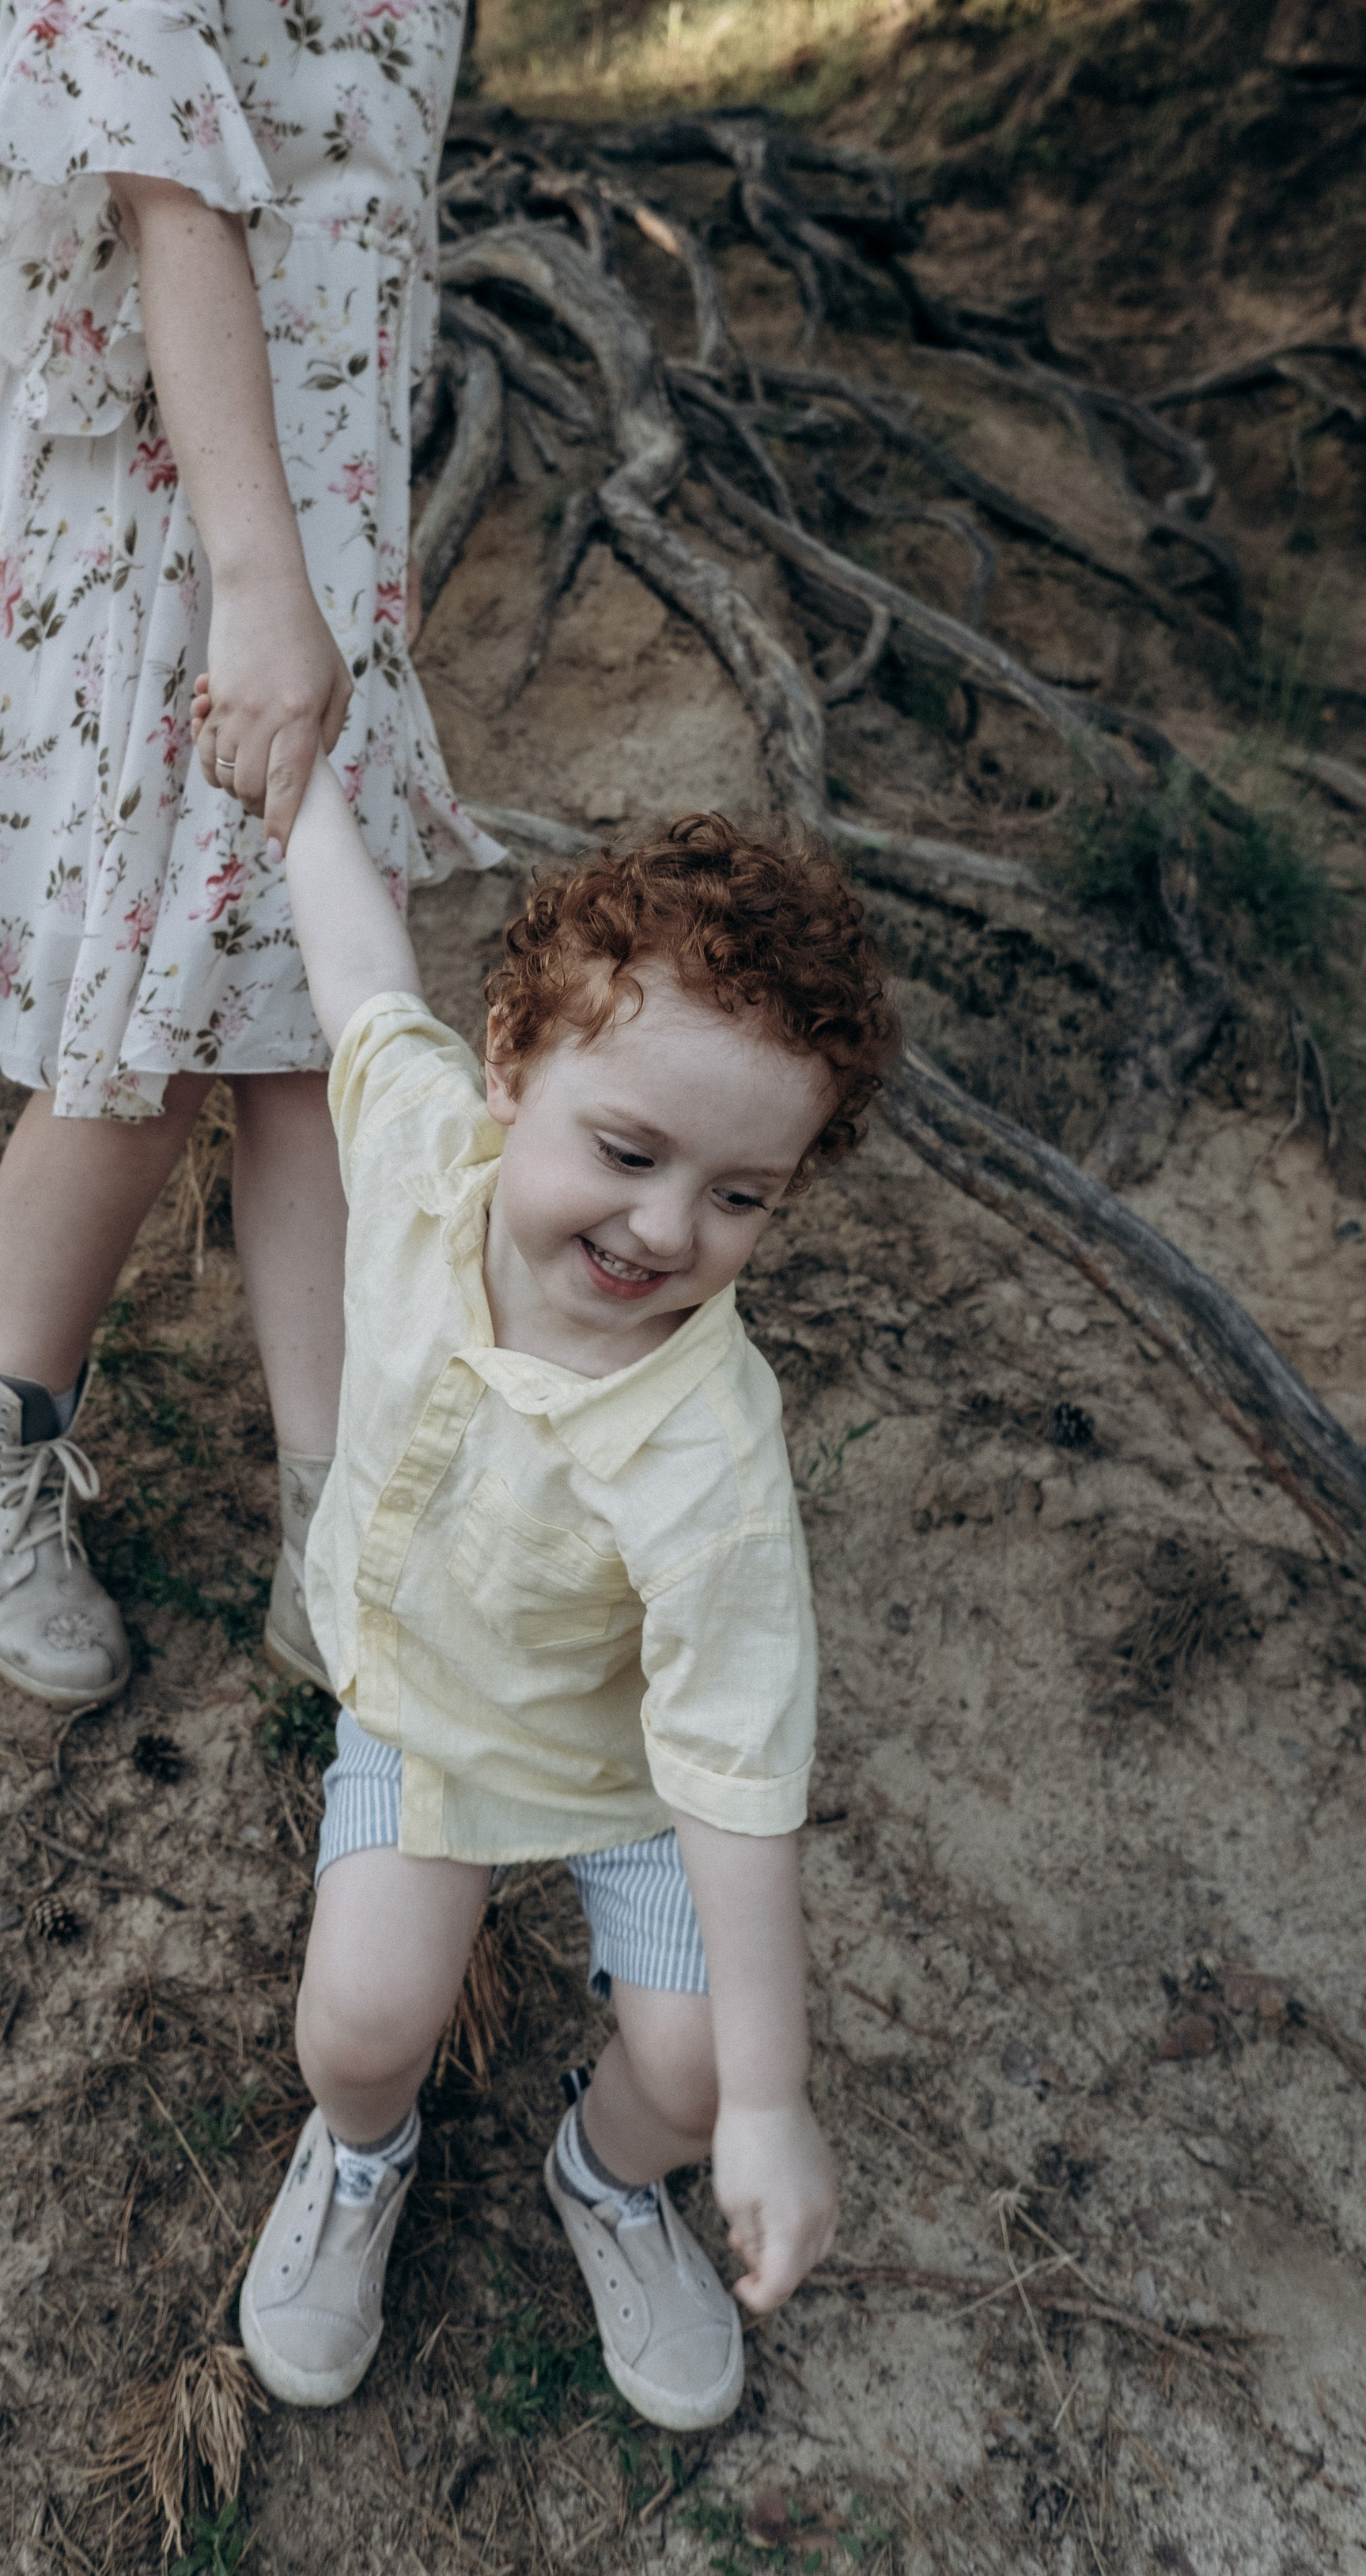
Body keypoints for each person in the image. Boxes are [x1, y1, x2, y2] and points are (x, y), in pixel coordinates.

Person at [0, 0, 498, 1711]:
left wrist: (321, 537)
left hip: (320, 435)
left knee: (309, 1016)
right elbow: (161, 155)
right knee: (160, 1013)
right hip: (139, 443)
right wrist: (259, 578)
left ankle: (335, 1531)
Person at [230, 761, 900, 2429]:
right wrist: (295, 776)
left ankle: (608, 2180)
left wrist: (763, 2099)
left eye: (739, 1195)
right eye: (625, 1149)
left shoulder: (708, 1460)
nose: (665, 1225)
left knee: (685, 2068)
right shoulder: (418, 1156)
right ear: (511, 1065)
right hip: (427, 1712)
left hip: (625, 1775)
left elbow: (738, 1781)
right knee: (359, 2025)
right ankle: (358, 2153)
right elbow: (356, 969)